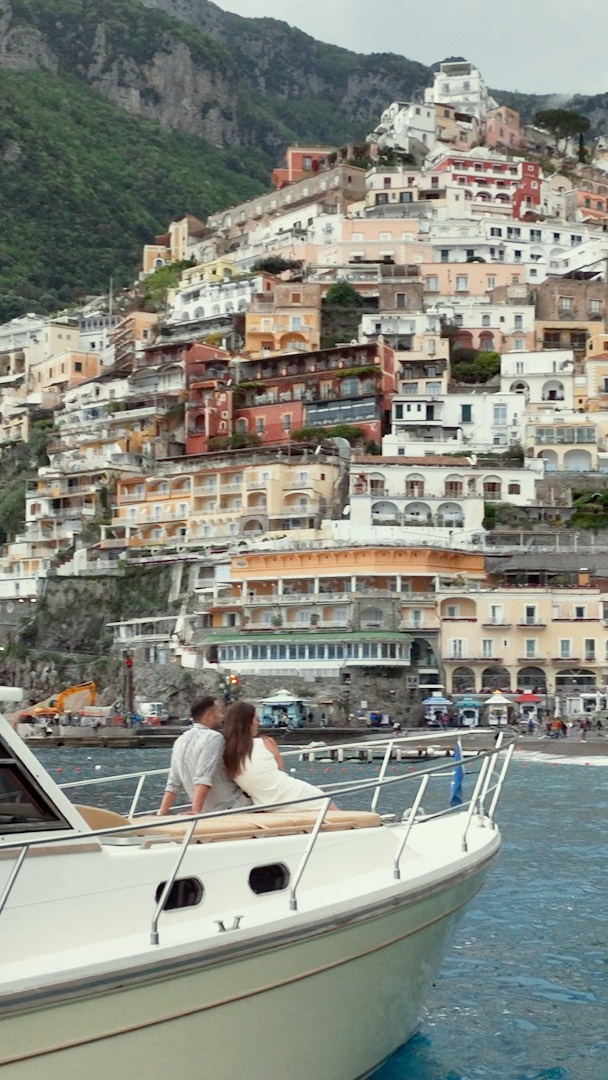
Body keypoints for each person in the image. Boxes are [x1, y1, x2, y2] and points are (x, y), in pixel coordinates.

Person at [223, 701, 336, 813]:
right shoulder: (265, 742)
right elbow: (280, 770)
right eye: (256, 719)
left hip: (263, 802)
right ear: (248, 723)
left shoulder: (228, 751)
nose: (258, 722)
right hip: (289, 793)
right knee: (328, 805)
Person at [158, 696, 250, 816]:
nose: (222, 717)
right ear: (209, 715)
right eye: (220, 712)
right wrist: (195, 812)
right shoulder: (213, 738)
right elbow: (203, 778)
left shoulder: (180, 740)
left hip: (207, 810)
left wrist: (161, 813)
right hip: (230, 807)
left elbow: (174, 784)